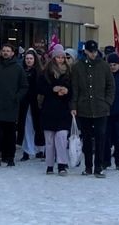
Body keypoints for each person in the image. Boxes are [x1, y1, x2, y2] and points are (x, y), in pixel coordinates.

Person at [71, 40, 114, 176]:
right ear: (86, 52)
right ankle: (88, 166)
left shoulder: (104, 66)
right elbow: (75, 88)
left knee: (101, 138)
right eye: (90, 52)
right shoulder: (78, 67)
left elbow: (110, 86)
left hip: (101, 108)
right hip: (84, 108)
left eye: (95, 51)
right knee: (87, 140)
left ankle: (99, 166)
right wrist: (74, 105)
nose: (93, 54)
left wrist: (107, 102)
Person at [0, 44, 27, 167]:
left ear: (12, 53)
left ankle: (10, 157)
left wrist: (16, 97)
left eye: (8, 51)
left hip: (11, 106)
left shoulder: (18, 68)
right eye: (3, 51)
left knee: (10, 134)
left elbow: (24, 86)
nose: (5, 53)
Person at [37, 44, 72, 175]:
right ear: (53, 58)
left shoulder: (69, 72)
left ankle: (62, 164)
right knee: (50, 140)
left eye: (63, 57)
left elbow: (73, 90)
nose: (61, 60)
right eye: (58, 57)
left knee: (62, 138)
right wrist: (53, 89)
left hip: (63, 109)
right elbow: (39, 88)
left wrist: (67, 91)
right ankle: (50, 165)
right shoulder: (45, 72)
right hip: (49, 109)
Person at [17, 49, 45, 161]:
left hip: (36, 104)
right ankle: (27, 150)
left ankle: (40, 149)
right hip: (24, 104)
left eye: (31, 58)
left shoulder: (39, 72)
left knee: (38, 127)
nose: (29, 60)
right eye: (27, 58)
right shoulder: (21, 71)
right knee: (26, 127)